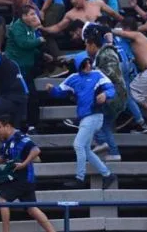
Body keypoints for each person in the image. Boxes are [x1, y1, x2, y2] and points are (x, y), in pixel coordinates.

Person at [48, 54, 117, 189]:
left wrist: (105, 94)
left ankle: (80, 178)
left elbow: (111, 88)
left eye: (89, 63)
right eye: (85, 64)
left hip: (94, 115)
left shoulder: (97, 74)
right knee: (85, 149)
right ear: (79, 65)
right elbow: (59, 92)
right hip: (85, 117)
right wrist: (51, 90)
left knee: (78, 145)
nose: (88, 66)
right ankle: (108, 175)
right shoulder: (73, 78)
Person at [0, 115, 56, 232]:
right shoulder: (7, 141)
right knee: (32, 209)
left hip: (23, 178)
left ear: (7, 126)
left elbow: (36, 150)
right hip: (22, 179)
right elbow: (3, 157)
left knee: (3, 199)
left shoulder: (20, 137)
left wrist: (24, 164)